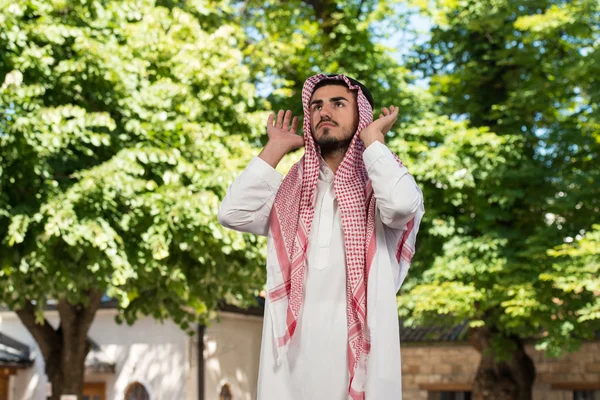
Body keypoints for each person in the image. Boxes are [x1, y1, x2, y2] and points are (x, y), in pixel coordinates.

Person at [218, 73, 425, 400]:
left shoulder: (382, 184)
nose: (323, 112)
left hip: (362, 359)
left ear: (362, 115)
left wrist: (373, 141)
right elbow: (232, 213)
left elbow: (401, 207)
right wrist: (275, 148)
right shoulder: (291, 192)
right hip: (290, 365)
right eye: (316, 106)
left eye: (338, 104)